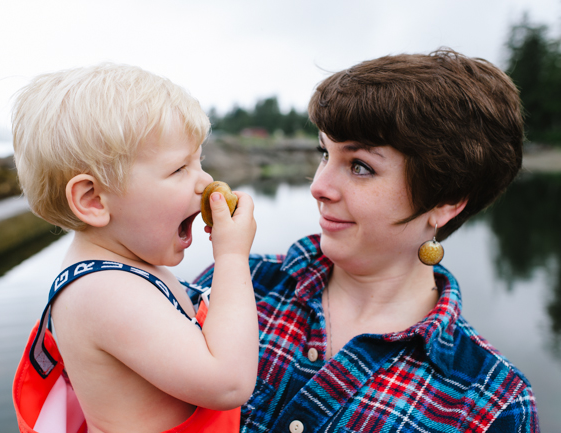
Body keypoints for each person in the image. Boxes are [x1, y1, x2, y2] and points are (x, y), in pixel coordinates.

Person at [194, 49, 540, 432]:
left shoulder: (491, 404)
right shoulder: (240, 285)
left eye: (360, 167)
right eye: (324, 154)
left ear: (446, 202)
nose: (319, 186)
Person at [11, 63, 258, 433]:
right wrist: (233, 257)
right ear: (94, 199)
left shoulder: (125, 262)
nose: (206, 181)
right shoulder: (104, 293)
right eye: (179, 169)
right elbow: (229, 383)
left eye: (199, 161)